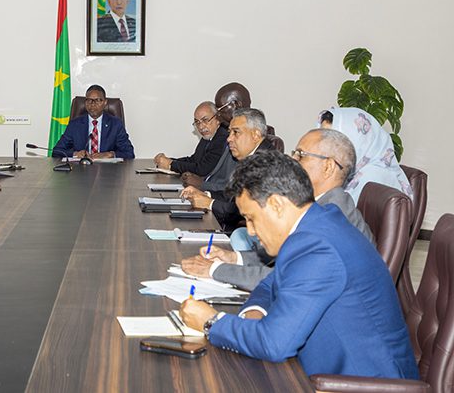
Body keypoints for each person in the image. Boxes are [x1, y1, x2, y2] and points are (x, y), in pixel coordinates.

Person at [179, 151, 418, 379]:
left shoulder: (318, 247)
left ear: (277, 205)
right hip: (322, 369)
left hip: (360, 382)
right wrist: (255, 311)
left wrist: (212, 322)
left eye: (251, 218)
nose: (250, 231)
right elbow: (269, 284)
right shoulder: (314, 225)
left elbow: (273, 343)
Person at [182, 128, 375, 291]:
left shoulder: (334, 212)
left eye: (301, 155)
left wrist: (214, 270)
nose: (293, 160)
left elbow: (284, 278)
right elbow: (284, 255)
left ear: (328, 167)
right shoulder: (317, 201)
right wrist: (234, 257)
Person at [180, 108, 273, 233]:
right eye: (229, 133)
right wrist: (205, 194)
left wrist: (209, 203)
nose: (229, 139)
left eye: (236, 132)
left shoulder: (266, 163)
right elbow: (233, 196)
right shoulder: (251, 157)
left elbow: (239, 210)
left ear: (255, 135)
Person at [319, 106, 413, 203]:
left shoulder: (373, 180)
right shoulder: (347, 172)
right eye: (323, 138)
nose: (324, 146)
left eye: (332, 140)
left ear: (357, 140)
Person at [52, 84, 135, 159]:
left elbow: (129, 153)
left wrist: (110, 154)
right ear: (85, 103)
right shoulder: (75, 125)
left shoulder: (115, 124)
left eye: (97, 100)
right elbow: (56, 151)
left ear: (105, 102)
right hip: (81, 169)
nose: (93, 104)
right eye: (89, 100)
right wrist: (75, 154)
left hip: (108, 169)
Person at [154, 101, 228, 178]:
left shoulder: (222, 138)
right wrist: (167, 160)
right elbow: (194, 160)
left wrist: (171, 165)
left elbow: (202, 169)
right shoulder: (208, 136)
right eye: (197, 122)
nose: (201, 127)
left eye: (205, 120)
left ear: (218, 119)